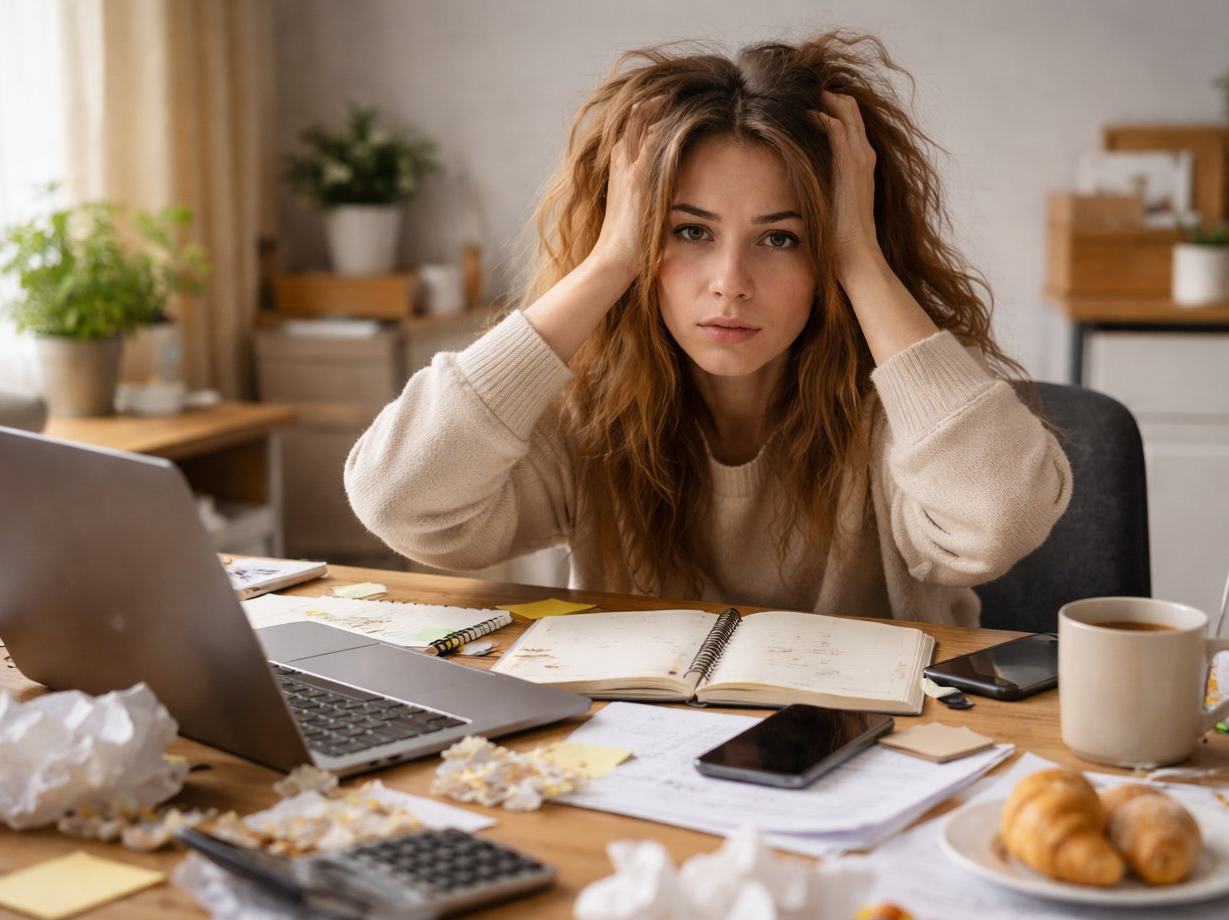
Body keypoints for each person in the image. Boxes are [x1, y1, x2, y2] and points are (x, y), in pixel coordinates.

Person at [345, 33, 1070, 627]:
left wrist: (859, 254)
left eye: (781, 238)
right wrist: (610, 261)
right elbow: (400, 501)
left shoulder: (899, 409)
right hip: (642, 743)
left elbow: (999, 521)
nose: (730, 281)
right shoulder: (590, 409)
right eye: (689, 231)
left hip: (890, 744)